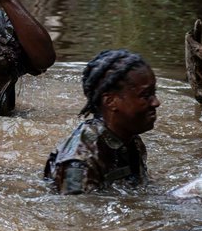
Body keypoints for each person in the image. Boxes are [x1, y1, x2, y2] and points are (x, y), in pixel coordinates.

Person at [45, 50, 159, 194]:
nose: (156, 102)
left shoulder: (130, 139)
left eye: (154, 93)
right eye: (145, 95)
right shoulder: (79, 162)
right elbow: (75, 211)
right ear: (110, 101)